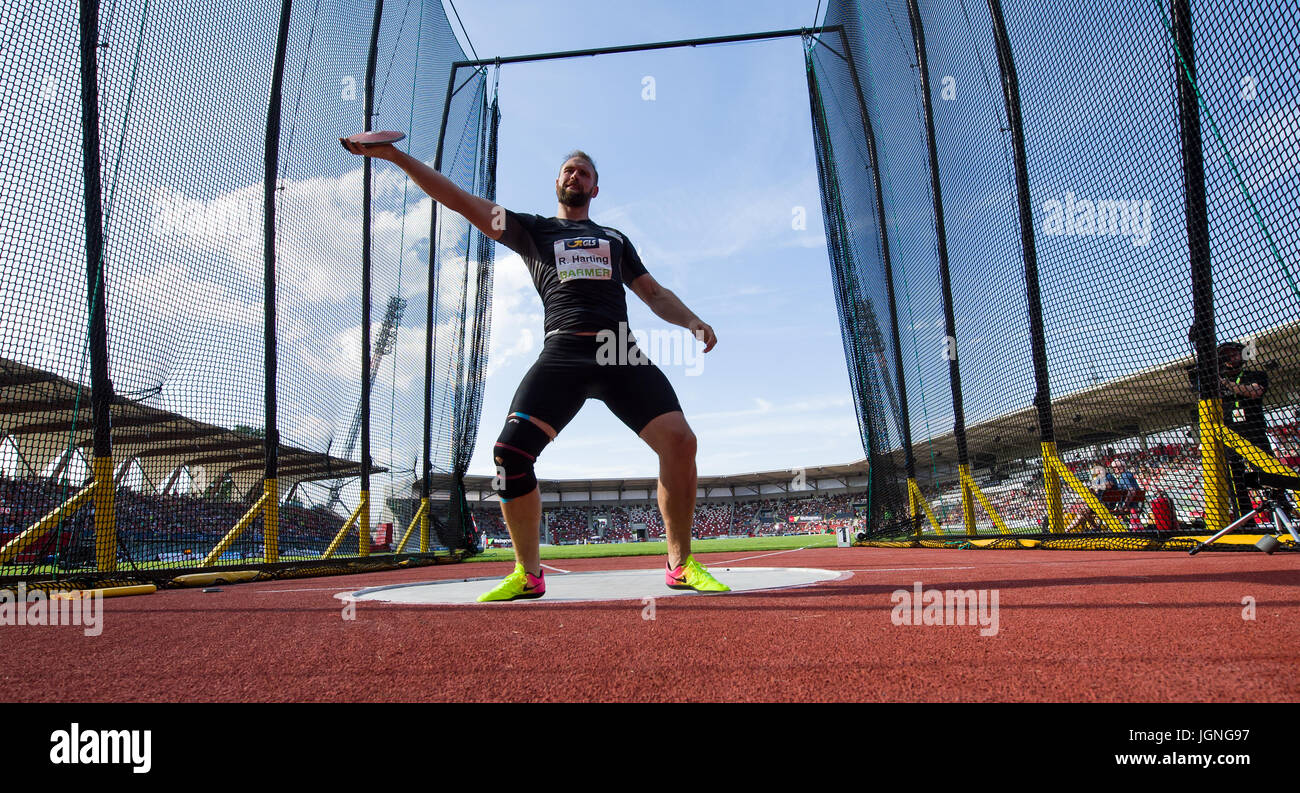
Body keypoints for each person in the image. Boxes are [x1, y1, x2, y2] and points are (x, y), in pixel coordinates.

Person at [341, 137, 729, 600]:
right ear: (557, 182)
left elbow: (652, 292)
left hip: (616, 351)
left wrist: (692, 321)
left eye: (584, 172)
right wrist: (396, 157)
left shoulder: (616, 240)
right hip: (562, 350)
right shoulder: (531, 230)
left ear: (595, 189)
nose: (575, 176)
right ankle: (528, 574)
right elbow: (462, 202)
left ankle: (680, 564)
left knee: (681, 441)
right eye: (569, 170)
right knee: (509, 454)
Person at [1214, 341, 1271, 519]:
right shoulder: (1217, 384)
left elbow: (1255, 392)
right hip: (1231, 434)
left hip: (1254, 432)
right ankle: (1245, 521)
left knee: (1268, 474)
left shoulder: (1256, 375)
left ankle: (1283, 511)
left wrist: (1228, 384)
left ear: (1242, 355)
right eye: (1226, 355)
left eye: (1234, 354)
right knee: (1235, 482)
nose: (1230, 358)